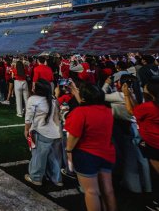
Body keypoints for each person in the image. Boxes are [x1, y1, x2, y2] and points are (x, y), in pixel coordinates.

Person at [65, 82, 117, 211]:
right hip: (106, 152)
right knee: (108, 190)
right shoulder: (108, 111)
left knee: (91, 192)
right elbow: (90, 108)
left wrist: (69, 150)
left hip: (86, 155)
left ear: (84, 98)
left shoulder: (80, 112)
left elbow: (74, 135)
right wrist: (77, 93)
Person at [24, 79, 62, 187]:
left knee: (38, 156)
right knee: (54, 158)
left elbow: (28, 118)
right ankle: (57, 179)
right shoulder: (53, 99)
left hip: (42, 132)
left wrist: (26, 130)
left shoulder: (33, 99)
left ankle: (35, 177)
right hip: (56, 133)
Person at [123, 80, 159, 176]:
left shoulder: (149, 106)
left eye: (145, 90)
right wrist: (131, 96)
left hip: (154, 144)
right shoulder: (152, 105)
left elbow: (131, 111)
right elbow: (138, 109)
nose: (143, 91)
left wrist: (126, 95)